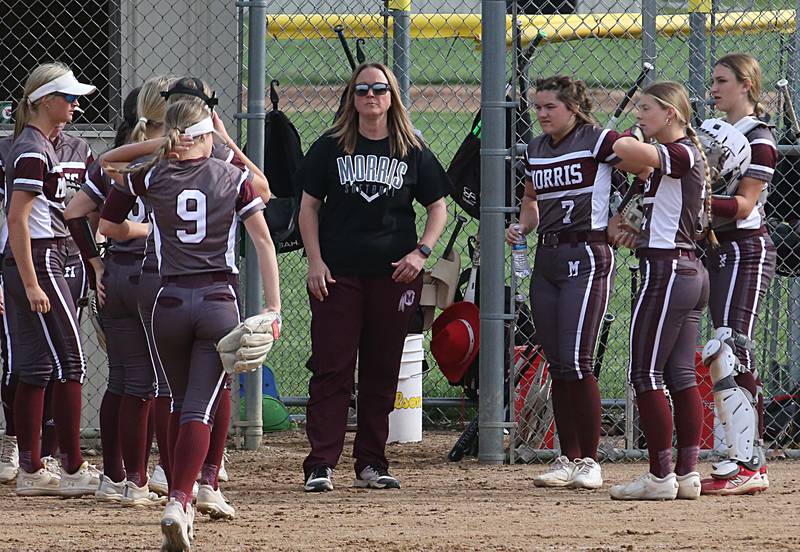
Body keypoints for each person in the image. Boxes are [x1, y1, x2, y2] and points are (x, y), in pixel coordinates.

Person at [99, 99, 280, 550]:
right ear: (206, 135)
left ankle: (180, 498)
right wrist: (274, 309)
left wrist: (162, 143)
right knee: (201, 406)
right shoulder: (230, 176)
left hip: (168, 302)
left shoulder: (153, 174)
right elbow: (263, 237)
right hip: (218, 300)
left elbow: (107, 173)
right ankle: (182, 499)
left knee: (178, 403)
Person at [297, 62, 448, 492]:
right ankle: (320, 464)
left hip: (394, 276)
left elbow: (438, 205)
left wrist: (421, 252)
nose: (370, 96)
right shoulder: (330, 147)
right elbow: (308, 206)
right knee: (332, 368)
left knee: (382, 369)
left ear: (391, 95)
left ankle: (371, 462)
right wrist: (315, 260)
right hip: (338, 273)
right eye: (362, 89)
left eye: (378, 89)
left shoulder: (411, 148)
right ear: (352, 96)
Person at [505, 75, 625, 490]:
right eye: (537, 107)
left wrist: (622, 219)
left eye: (549, 107)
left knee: (577, 360)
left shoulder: (598, 140)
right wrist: (521, 226)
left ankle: (591, 460)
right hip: (548, 256)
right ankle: (568, 457)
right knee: (558, 363)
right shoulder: (537, 149)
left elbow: (647, 170)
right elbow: (531, 199)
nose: (540, 114)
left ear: (572, 108)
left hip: (587, 254)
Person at [607, 81, 711, 500]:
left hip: (669, 271)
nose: (639, 117)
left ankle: (660, 476)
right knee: (680, 374)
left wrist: (618, 137)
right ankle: (686, 474)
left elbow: (624, 152)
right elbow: (620, 224)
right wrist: (635, 228)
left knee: (645, 374)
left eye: (645, 109)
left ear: (670, 113)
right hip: (685, 269)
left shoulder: (681, 150)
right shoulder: (672, 159)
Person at [65, 80, 165, 506]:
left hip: (117, 274)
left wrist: (95, 262)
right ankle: (139, 479)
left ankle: (114, 475)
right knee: (152, 384)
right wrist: (146, 229)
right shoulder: (174, 155)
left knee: (123, 379)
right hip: (152, 273)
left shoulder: (114, 157)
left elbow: (74, 212)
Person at [3, 62, 100, 497]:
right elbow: (18, 220)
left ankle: (31, 467)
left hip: (47, 255)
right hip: (40, 257)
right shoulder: (31, 148)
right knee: (70, 360)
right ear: (44, 101)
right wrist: (30, 281)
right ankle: (73, 465)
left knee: (36, 366)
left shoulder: (49, 144)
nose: (75, 105)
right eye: (68, 97)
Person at [700, 53, 777, 495]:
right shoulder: (713, 131)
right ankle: (739, 455)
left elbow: (744, 206)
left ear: (746, 84)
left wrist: (696, 202)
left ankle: (749, 462)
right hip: (719, 250)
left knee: (730, 347)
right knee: (723, 349)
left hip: (745, 249)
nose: (714, 88)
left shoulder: (759, 137)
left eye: (722, 80)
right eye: (713, 79)